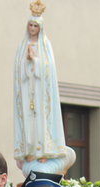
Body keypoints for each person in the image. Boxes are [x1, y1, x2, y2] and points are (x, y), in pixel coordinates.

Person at [12, 2, 74, 175]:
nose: (32, 28)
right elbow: (18, 69)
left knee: (41, 121)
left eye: (35, 26)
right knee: (28, 121)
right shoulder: (22, 45)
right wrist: (26, 62)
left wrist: (35, 61)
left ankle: (43, 152)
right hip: (27, 90)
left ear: (40, 28)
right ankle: (30, 151)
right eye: (30, 25)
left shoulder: (45, 45)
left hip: (41, 92)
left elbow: (48, 70)